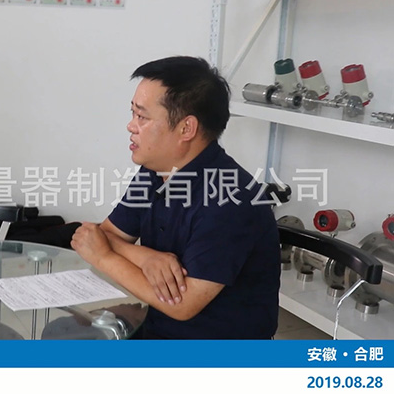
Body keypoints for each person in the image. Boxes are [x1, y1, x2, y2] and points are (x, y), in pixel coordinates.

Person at [71, 56, 280, 339]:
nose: (131, 126)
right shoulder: (155, 171)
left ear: (186, 128)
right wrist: (145, 257)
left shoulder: (231, 200)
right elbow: (102, 234)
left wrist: (105, 257)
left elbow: (182, 304)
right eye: (133, 113)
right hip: (155, 326)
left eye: (142, 117)